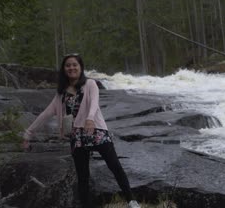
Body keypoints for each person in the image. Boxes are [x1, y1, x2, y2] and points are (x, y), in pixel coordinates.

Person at [22, 53, 140, 208]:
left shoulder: (90, 84)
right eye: (68, 65)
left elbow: (94, 103)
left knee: (115, 166)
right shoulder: (61, 93)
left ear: (80, 67)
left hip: (96, 130)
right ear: (64, 69)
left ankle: (131, 201)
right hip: (77, 136)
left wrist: (90, 119)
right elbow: (46, 113)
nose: (71, 68)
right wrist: (29, 133)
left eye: (74, 65)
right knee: (83, 177)